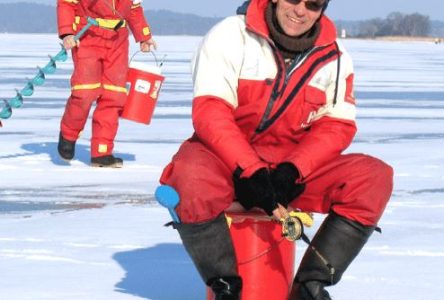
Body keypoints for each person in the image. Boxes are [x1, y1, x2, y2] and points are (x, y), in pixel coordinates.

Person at [159, 0, 393, 299]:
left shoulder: (335, 56)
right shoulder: (231, 35)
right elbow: (211, 112)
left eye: (313, 4)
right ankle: (225, 286)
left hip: (289, 169)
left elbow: (336, 126)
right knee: (189, 175)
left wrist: (293, 171)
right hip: (224, 159)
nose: (300, 10)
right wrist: (249, 170)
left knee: (372, 178)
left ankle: (310, 286)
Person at [56, 0, 156, 167]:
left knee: (114, 96)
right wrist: (67, 33)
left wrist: (144, 36)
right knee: (84, 93)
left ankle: (102, 152)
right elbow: (66, 3)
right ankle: (68, 134)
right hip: (88, 35)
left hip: (117, 40)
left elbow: (134, 9)